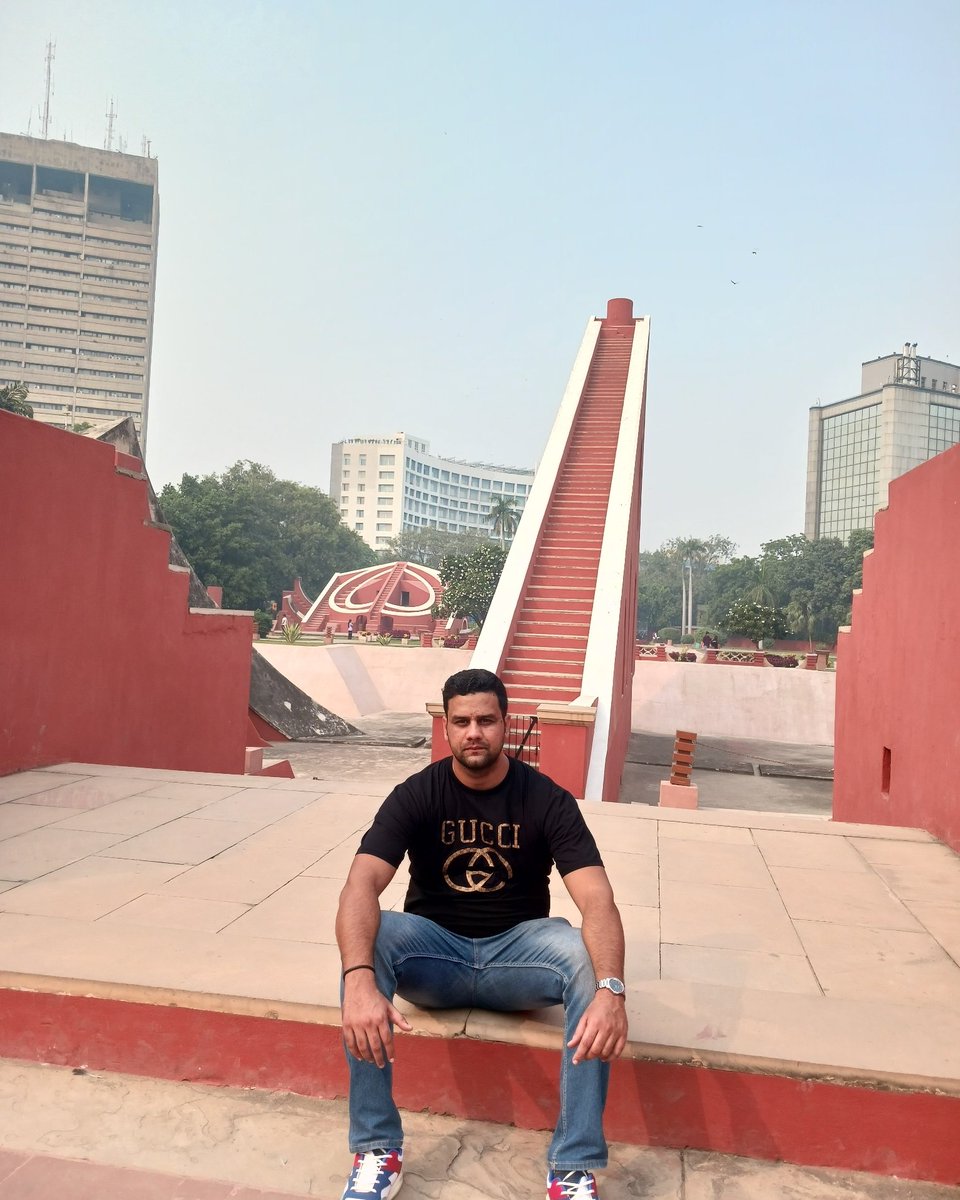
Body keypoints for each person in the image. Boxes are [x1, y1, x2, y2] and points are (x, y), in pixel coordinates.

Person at [336, 668, 627, 1200]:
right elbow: (360, 885)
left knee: (587, 958)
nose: (475, 732)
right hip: (434, 956)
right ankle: (378, 1147)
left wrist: (611, 989)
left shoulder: (546, 800)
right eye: (462, 721)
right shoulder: (417, 795)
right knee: (369, 940)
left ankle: (573, 1166)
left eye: (486, 721)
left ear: (505, 723)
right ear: (445, 728)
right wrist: (358, 979)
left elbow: (597, 899)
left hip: (519, 957)